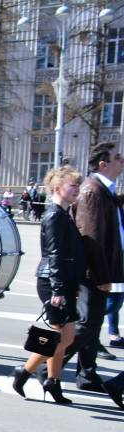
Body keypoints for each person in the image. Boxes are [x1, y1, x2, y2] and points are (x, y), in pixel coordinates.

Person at [12, 166, 84, 404]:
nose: (77, 190)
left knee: (66, 337)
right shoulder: (54, 215)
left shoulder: (64, 214)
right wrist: (57, 290)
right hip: (53, 282)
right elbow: (53, 254)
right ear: (57, 188)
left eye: (78, 185)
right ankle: (26, 373)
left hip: (64, 281)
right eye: (72, 185)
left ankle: (51, 380)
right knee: (59, 336)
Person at [61, 142, 124, 392]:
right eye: (117, 157)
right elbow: (92, 237)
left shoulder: (104, 190)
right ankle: (46, 367)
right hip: (92, 272)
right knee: (87, 324)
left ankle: (87, 373)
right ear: (103, 164)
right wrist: (101, 275)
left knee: (93, 325)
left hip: (100, 270)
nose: (122, 161)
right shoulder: (92, 191)